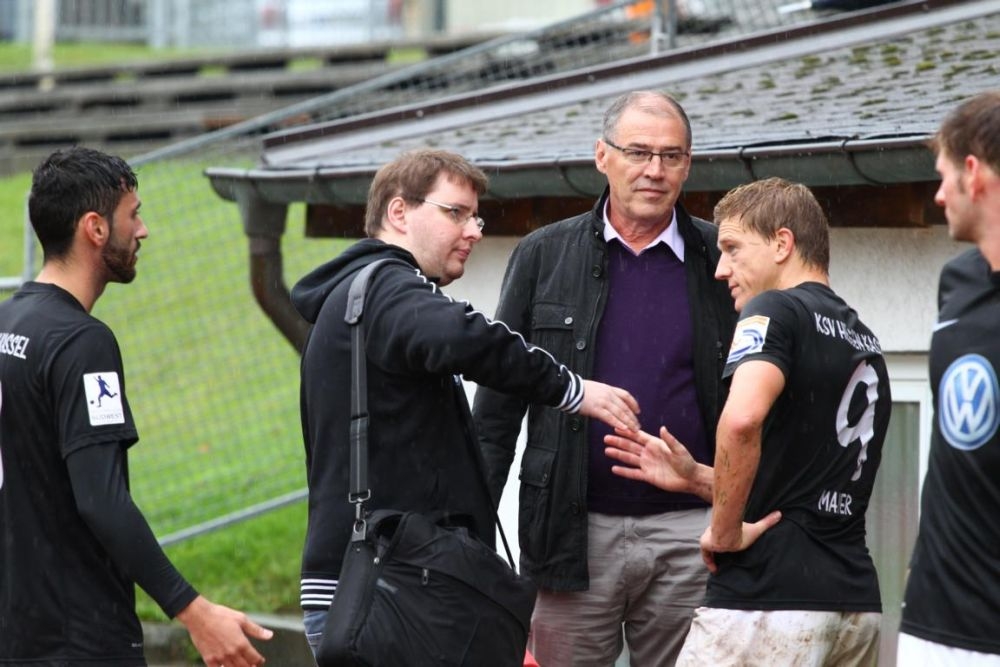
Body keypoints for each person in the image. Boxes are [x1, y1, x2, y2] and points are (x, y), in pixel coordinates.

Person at [290, 148, 640, 654]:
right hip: (388, 587)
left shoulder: (357, 297)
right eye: (455, 213)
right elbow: (462, 335)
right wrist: (573, 390)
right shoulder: (388, 287)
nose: (473, 231)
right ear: (399, 212)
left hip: (370, 581)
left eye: (476, 217)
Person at [472, 90, 736, 666]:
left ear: (688, 165)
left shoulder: (721, 259)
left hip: (690, 534)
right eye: (638, 152)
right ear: (602, 156)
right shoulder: (544, 255)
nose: (654, 170)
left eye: (671, 156)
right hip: (570, 533)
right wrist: (472, 537)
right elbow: (496, 410)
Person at [0, 147, 273, 666]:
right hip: (80, 641)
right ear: (95, 228)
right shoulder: (82, 343)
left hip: (16, 636)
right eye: (134, 215)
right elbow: (101, 500)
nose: (142, 231)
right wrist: (194, 610)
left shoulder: (5, 322)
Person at [605, 177, 892, 666]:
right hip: (855, 606)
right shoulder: (863, 338)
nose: (721, 270)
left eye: (733, 249)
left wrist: (724, 533)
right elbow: (799, 490)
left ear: (782, 244)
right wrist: (696, 477)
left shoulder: (774, 308)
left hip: (768, 598)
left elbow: (741, 422)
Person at [897, 90, 1000, 664]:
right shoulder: (958, 281)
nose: (937, 196)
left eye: (942, 177)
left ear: (973, 173)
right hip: (932, 624)